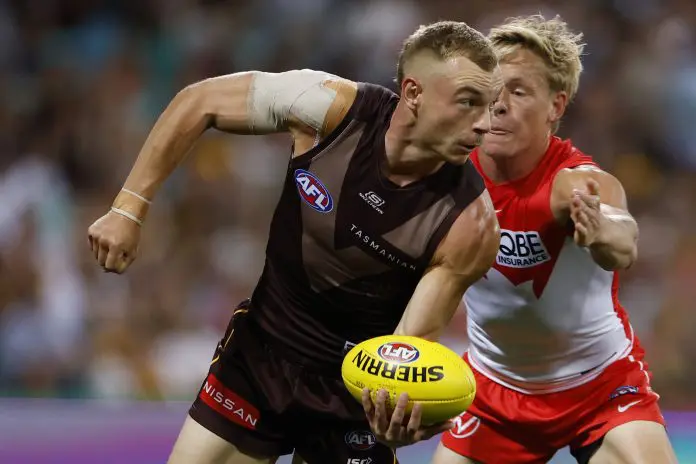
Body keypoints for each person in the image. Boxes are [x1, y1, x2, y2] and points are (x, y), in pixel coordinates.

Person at [87, 21, 502, 464]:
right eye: (468, 102)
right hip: (262, 355)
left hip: (352, 398)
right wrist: (128, 208)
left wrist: (396, 409)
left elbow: (405, 348)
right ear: (415, 93)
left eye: (489, 107)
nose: (483, 125)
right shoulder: (330, 109)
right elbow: (200, 101)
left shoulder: (471, 224)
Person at [429, 15, 678, 464]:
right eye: (491, 88)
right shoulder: (447, 179)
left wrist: (605, 232)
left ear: (556, 107)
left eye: (519, 91)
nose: (498, 105)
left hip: (599, 388)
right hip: (494, 394)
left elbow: (624, 241)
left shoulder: (574, 183)